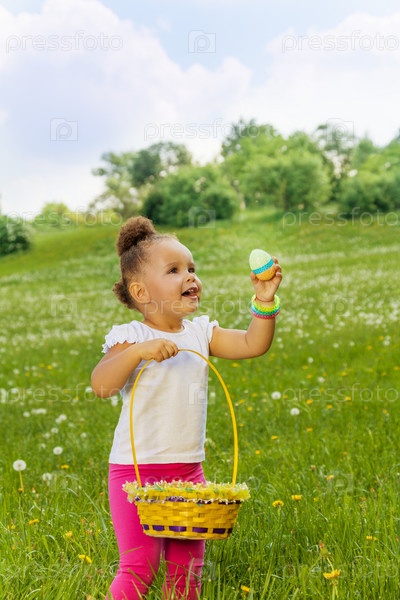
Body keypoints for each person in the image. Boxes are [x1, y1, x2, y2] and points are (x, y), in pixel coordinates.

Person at [91, 216, 282, 600]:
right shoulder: (132, 337)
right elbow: (101, 385)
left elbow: (252, 344)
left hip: (188, 472)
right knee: (139, 566)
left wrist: (264, 301)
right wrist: (139, 352)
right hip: (136, 474)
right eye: (174, 270)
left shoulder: (200, 333)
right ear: (141, 291)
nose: (190, 276)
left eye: (191, 268)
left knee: (187, 570)